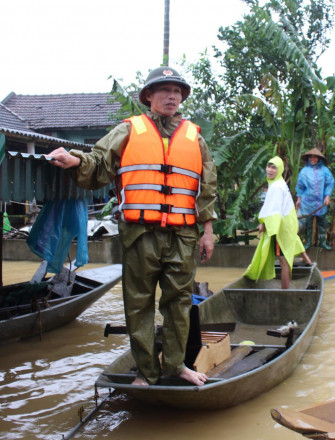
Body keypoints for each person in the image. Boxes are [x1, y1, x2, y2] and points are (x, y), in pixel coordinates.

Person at [47, 66, 217, 387]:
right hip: (140, 234)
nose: (172, 96)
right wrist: (75, 160)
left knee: (178, 303)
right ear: (149, 96)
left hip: (182, 235)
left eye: (177, 91)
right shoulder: (128, 130)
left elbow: (206, 189)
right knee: (138, 303)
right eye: (164, 90)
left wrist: (207, 232)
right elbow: (98, 163)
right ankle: (146, 372)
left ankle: (177, 366)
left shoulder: (195, 138)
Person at [244, 156, 312, 289]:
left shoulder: (276, 187)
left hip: (281, 228)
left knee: (283, 261)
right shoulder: (280, 184)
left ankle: (284, 291)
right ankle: (307, 263)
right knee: (286, 257)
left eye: (273, 167)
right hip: (288, 226)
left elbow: (275, 213)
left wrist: (264, 225)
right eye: (268, 166)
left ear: (279, 169)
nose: (269, 170)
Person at [295, 148, 335, 250]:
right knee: (308, 223)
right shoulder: (304, 171)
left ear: (318, 158)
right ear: (308, 158)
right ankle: (308, 242)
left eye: (315, 157)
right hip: (307, 202)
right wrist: (299, 199)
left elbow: (330, 183)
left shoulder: (325, 170)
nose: (312, 159)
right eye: (311, 157)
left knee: (322, 223)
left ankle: (322, 242)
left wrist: (327, 196)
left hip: (321, 201)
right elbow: (300, 186)